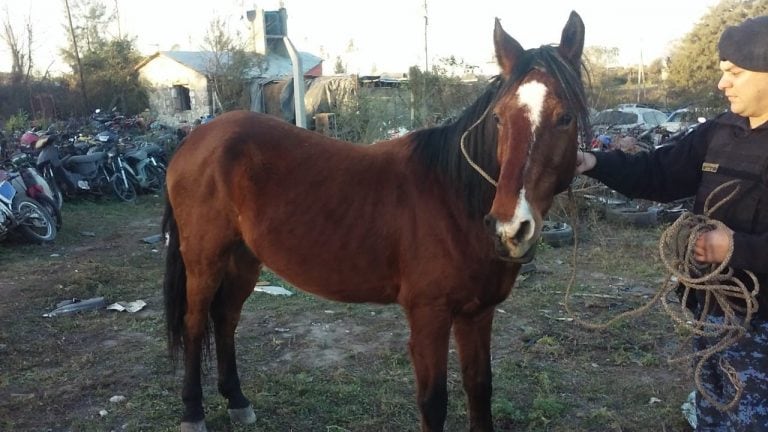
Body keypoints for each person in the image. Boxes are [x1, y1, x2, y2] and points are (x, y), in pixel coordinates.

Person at [575, 15, 768, 431]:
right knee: (712, 413)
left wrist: (737, 249)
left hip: (761, 325)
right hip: (711, 312)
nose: (722, 84)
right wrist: (592, 162)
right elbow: (659, 173)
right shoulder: (721, 129)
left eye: (733, 73)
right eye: (722, 73)